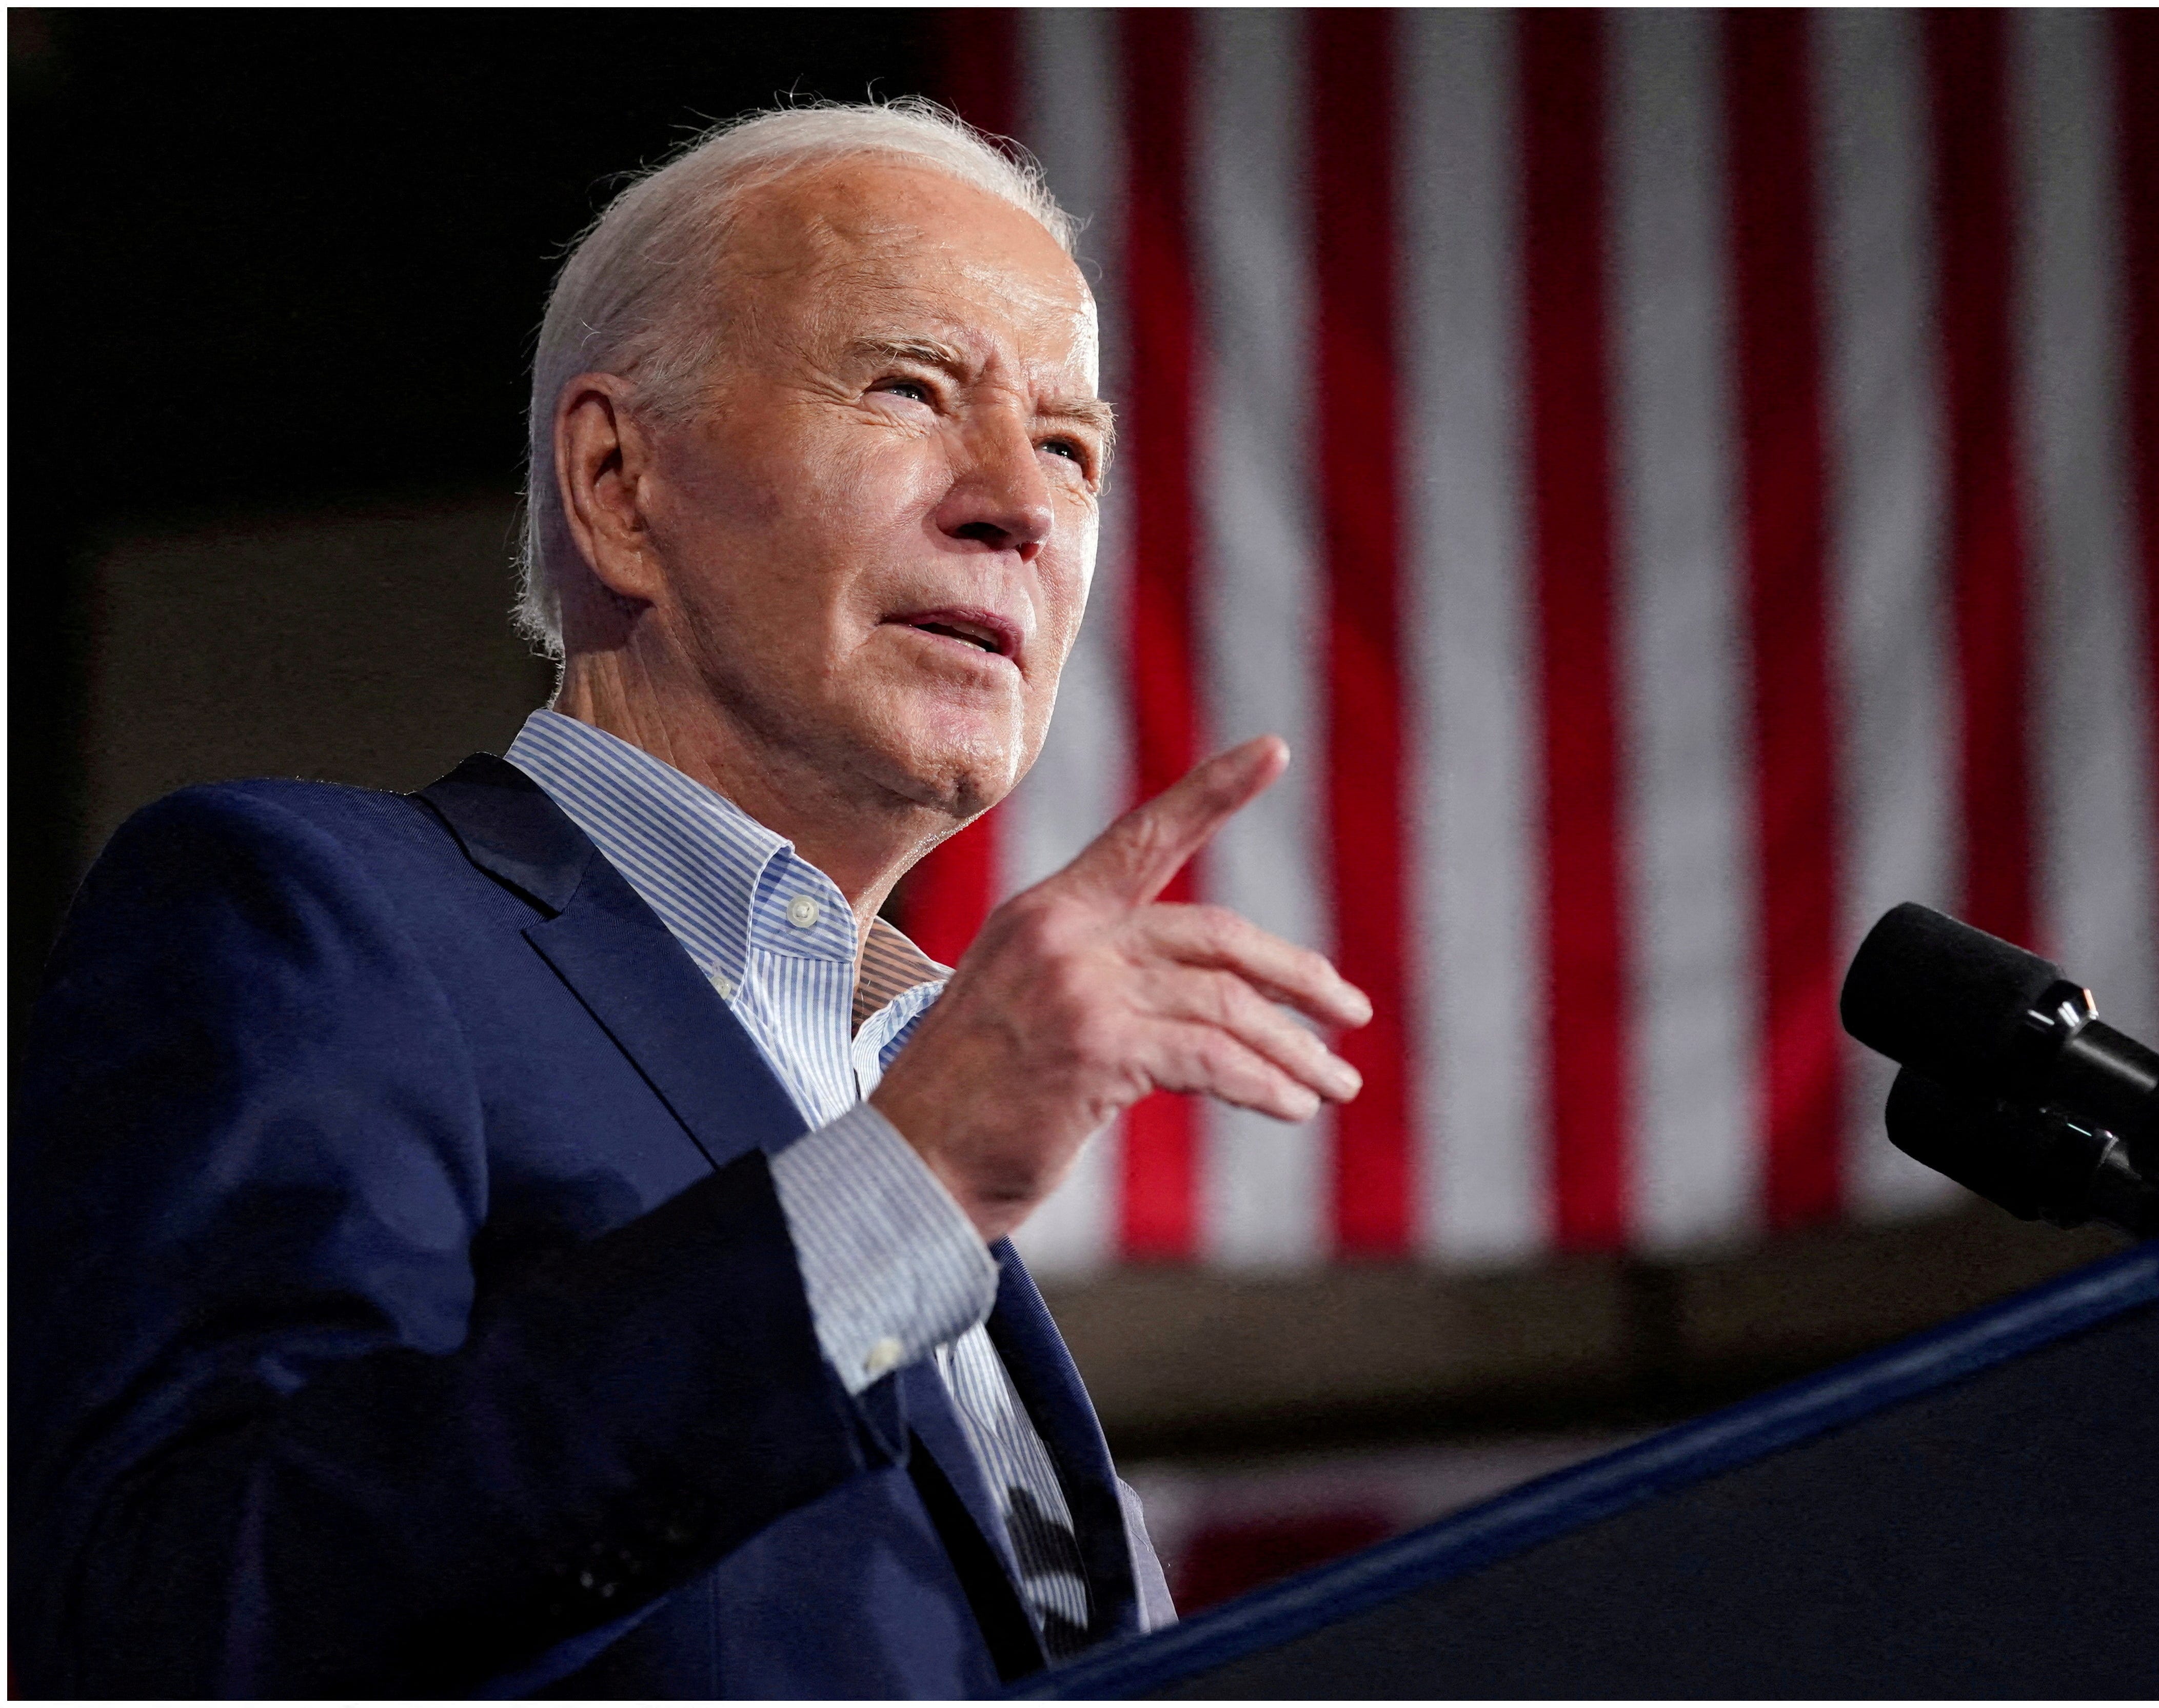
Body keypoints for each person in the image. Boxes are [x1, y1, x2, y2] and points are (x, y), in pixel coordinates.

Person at [14, 101, 1373, 1695]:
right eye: (910, 388)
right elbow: (199, 1625)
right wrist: (911, 1181)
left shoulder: (898, 1089)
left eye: (1072, 447)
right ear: (618, 482)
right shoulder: (312, 916)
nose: (1020, 499)